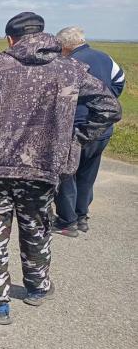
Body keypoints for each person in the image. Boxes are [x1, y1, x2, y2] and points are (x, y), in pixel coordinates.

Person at [0, 12, 121, 325]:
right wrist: (74, 140)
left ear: (11, 39)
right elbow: (110, 108)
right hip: (42, 168)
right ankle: (38, 288)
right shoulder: (72, 69)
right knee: (36, 226)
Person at [52, 26, 126, 237]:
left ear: (65, 45)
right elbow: (120, 82)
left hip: (75, 127)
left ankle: (67, 222)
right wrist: (106, 100)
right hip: (102, 128)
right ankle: (82, 217)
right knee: (87, 174)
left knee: (66, 174)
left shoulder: (67, 64)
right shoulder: (106, 58)